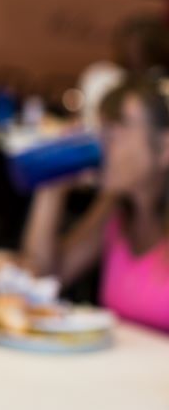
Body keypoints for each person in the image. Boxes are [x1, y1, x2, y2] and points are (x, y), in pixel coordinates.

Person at [20, 79, 169, 332]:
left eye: (115, 132)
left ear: (165, 147)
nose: (102, 144)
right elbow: (43, 278)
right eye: (101, 130)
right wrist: (53, 185)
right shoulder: (115, 208)